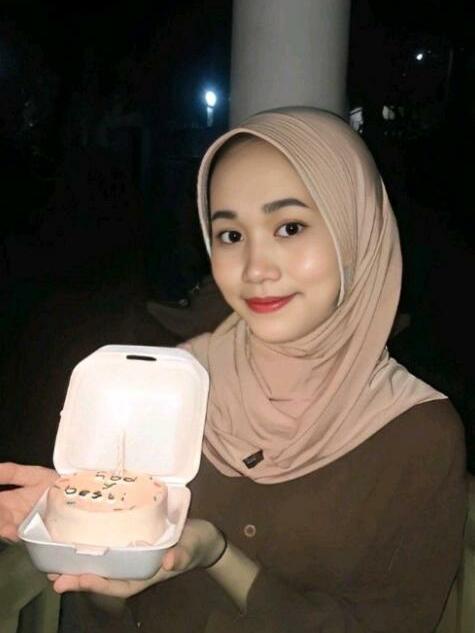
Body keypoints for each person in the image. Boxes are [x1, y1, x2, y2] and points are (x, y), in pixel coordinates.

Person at [0, 107, 467, 633]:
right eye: (230, 235)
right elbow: (109, 614)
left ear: (357, 232)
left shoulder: (418, 434)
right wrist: (86, 538)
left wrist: (219, 556)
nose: (255, 269)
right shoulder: (168, 388)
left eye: (289, 227)